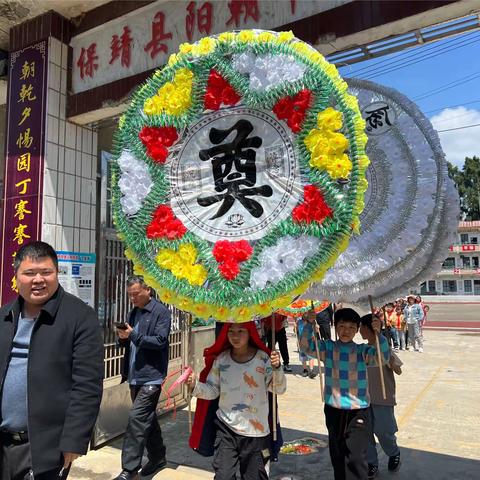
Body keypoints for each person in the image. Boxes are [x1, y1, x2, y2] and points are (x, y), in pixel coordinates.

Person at [0, 241, 103, 480]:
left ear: (57, 273)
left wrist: (73, 441)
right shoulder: (5, 315)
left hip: (44, 446)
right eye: (29, 273)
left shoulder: (80, 317)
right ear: (16, 276)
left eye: (46, 272)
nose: (38, 279)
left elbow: (87, 386)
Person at [299, 308, 390, 480]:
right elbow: (306, 347)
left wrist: (379, 334)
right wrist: (309, 325)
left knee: (355, 457)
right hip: (333, 410)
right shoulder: (328, 348)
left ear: (357, 329)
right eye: (341, 326)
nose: (346, 331)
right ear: (335, 327)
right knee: (337, 454)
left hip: (358, 411)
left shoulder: (363, 351)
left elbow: (383, 357)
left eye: (351, 327)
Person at [188, 322, 286, 480]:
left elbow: (279, 389)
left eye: (241, 331)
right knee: (223, 476)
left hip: (257, 433)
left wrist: (277, 368)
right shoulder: (221, 360)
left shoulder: (264, 359)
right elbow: (212, 391)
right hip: (226, 428)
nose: (235, 335)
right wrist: (194, 385)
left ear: (250, 333)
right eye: (231, 331)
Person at [114, 276, 172, 480]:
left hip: (152, 377)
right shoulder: (134, 312)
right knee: (146, 418)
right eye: (130, 295)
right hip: (135, 375)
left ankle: (129, 470)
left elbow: (160, 341)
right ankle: (158, 457)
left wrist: (133, 336)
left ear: (148, 290)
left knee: (136, 419)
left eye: (136, 294)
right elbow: (130, 342)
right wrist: (122, 338)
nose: (133, 299)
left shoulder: (161, 312)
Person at [360, 314, 402, 479]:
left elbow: (398, 369)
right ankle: (372, 463)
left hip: (383, 398)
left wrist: (389, 359)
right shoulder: (362, 350)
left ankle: (393, 452)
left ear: (368, 328)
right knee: (366, 432)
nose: (359, 330)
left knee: (384, 430)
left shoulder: (384, 348)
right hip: (363, 398)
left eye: (361, 327)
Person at [294, 313, 317, 378]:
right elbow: (295, 331)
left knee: (310, 356)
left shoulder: (312, 323)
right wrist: (295, 326)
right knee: (303, 356)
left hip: (309, 341)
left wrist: (316, 328)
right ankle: (305, 370)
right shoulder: (299, 322)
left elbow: (314, 332)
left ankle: (311, 370)